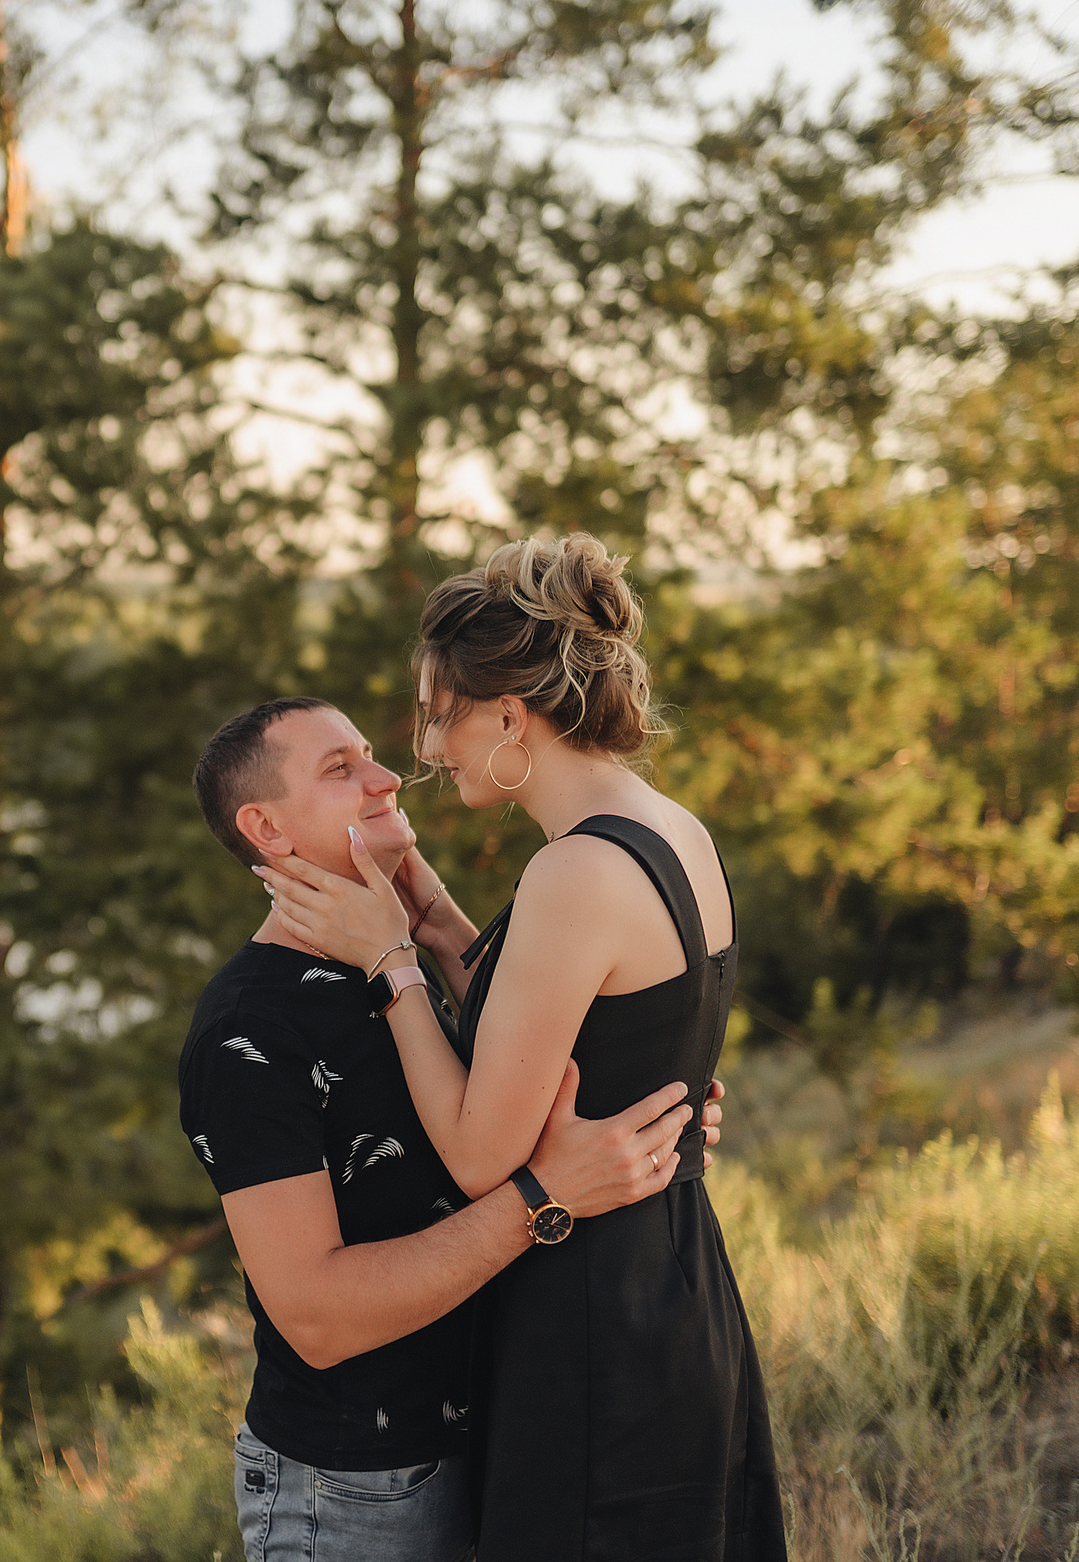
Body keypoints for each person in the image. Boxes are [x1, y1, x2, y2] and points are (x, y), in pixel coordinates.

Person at [257, 537, 786, 1562]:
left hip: (589, 1321)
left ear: (508, 714)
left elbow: (475, 1151)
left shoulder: (573, 875)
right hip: (675, 1277)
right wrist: (430, 913)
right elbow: (567, 1026)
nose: (426, 749)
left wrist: (389, 965)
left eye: (438, 714)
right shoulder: (667, 829)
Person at [183, 695, 728, 1562]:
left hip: (504, 1436)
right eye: (340, 769)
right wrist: (547, 1198)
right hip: (359, 1489)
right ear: (266, 828)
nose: (388, 774)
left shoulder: (387, 963)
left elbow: (515, 1073)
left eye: (369, 752)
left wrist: (645, 1085)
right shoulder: (248, 1031)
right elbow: (316, 1316)